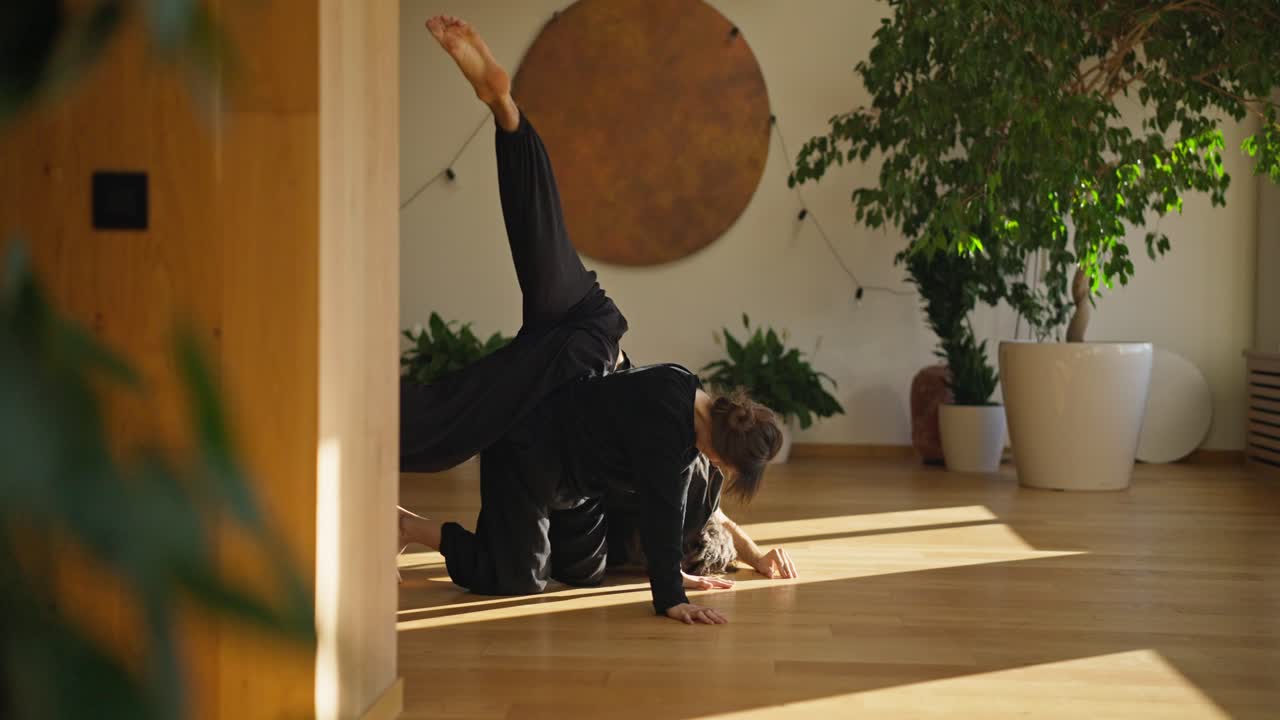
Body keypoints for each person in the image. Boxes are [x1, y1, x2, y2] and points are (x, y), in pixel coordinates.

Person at [400, 17, 785, 624]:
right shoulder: (675, 448)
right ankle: (392, 495)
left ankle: (508, 114)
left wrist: (693, 568)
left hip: (592, 332)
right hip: (538, 422)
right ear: (720, 451)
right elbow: (662, 515)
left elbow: (662, 511)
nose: (715, 471)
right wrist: (673, 600)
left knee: (542, 241)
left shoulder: (685, 384)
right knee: (452, 424)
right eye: (725, 466)